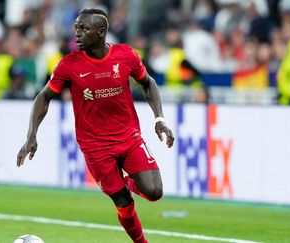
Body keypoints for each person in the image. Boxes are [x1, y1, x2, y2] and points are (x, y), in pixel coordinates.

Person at [16, 9, 174, 243]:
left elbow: (148, 84)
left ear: (101, 32)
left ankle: (129, 181)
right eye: (76, 28)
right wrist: (31, 135)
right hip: (96, 146)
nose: (77, 34)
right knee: (123, 202)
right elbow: (44, 96)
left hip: (129, 138)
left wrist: (159, 119)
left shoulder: (125, 55)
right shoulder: (68, 65)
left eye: (83, 29)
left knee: (154, 192)